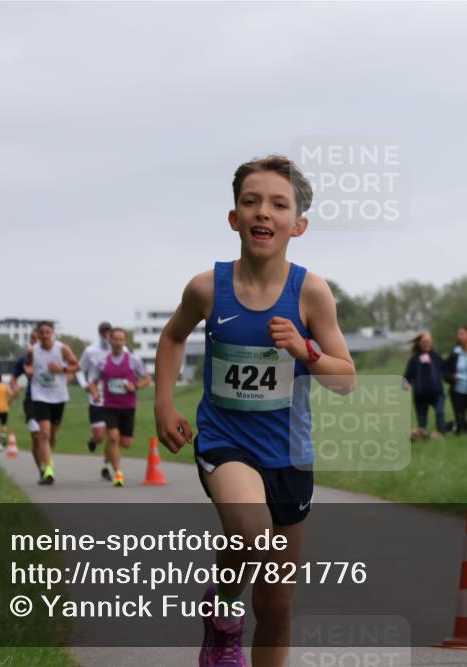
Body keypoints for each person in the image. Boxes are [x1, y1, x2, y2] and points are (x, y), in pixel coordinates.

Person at [155, 154, 356, 667]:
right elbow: (172, 336)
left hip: (288, 453)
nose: (263, 212)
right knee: (249, 530)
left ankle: (234, 618)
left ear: (298, 224)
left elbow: (345, 380)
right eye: (251, 202)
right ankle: (223, 616)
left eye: (278, 204)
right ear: (234, 217)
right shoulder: (207, 287)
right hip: (225, 442)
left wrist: (304, 350)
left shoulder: (310, 293)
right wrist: (163, 403)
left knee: (276, 604)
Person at [88, 327, 150, 487]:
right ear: (110, 341)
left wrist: (135, 385)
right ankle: (118, 474)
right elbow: (92, 382)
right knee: (114, 438)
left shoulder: (133, 360)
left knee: (126, 443)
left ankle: (108, 458)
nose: (118, 342)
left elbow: (147, 378)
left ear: (124, 341)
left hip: (128, 406)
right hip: (109, 406)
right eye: (115, 339)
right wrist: (95, 393)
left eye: (121, 339)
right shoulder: (101, 361)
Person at [25, 320, 79, 485]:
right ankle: (48, 469)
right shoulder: (32, 350)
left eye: (48, 332)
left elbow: (76, 366)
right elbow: (27, 365)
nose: (44, 335)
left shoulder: (61, 349)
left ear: (52, 333)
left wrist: (61, 369)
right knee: (44, 434)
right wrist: (29, 371)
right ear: (38, 334)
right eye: (41, 333)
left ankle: (48, 457)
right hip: (40, 396)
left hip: (58, 396)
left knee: (52, 435)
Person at [77, 321, 114, 480]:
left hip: (115, 399)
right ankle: (93, 440)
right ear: (99, 333)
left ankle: (106, 467)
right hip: (96, 398)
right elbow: (79, 369)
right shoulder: (90, 351)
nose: (106, 334)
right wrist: (84, 384)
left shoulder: (120, 349)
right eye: (103, 331)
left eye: (108, 331)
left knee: (113, 437)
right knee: (100, 437)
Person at [402, 331, 446, 440]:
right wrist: (405, 384)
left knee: (440, 413)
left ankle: (441, 434)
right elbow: (407, 376)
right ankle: (420, 436)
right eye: (424, 341)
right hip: (420, 396)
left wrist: (453, 378)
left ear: (431, 342)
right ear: (419, 343)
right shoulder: (414, 359)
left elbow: (446, 371)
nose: (426, 343)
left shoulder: (437, 357)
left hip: (437, 393)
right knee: (422, 422)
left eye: (428, 341)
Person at [11, 328, 43, 470]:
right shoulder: (24, 359)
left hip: (50, 402)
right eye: (32, 338)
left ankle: (48, 463)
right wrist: (15, 387)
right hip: (31, 401)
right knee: (36, 437)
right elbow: (14, 377)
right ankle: (42, 470)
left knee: (47, 437)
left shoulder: (54, 357)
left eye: (37, 338)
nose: (33, 341)